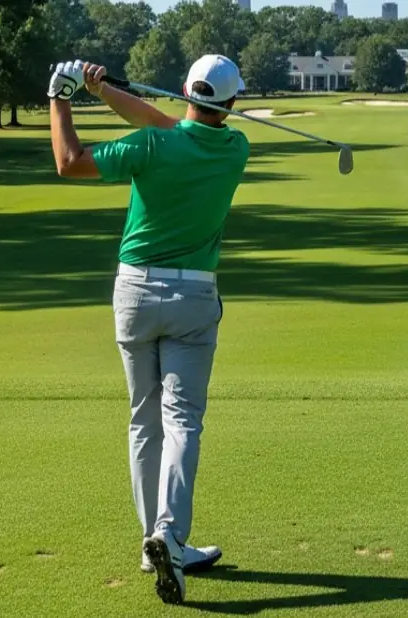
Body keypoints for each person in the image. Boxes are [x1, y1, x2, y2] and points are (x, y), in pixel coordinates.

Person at [46, 55, 250, 605]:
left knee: (144, 419)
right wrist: (103, 88)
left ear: (184, 88)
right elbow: (174, 126)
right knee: (182, 421)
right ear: (231, 105)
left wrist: (62, 96)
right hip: (194, 299)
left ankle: (151, 543)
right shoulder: (236, 150)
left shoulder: (150, 147)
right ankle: (169, 535)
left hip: (135, 294)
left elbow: (69, 161)